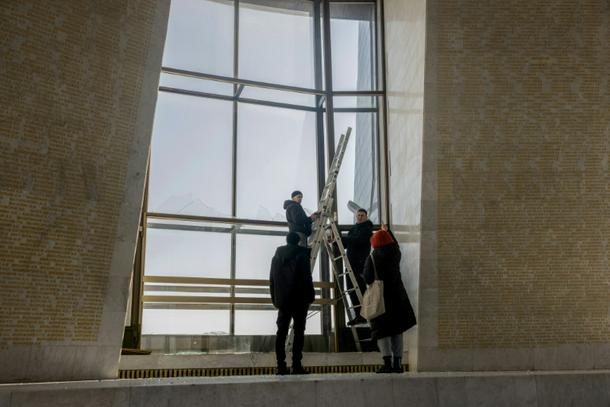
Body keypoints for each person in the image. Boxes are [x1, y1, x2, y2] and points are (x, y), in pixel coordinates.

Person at [363, 225, 416, 373]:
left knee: (382, 331)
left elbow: (367, 278)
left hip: (381, 300)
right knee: (397, 330)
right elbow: (395, 244)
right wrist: (388, 232)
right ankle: (398, 364)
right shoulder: (395, 253)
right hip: (398, 297)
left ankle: (387, 363)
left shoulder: (372, 257)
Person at [269, 232, 315, 375]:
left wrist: (275, 299)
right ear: (298, 241)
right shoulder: (302, 255)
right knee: (299, 332)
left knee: (281, 333)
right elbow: (307, 278)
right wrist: (311, 296)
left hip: (283, 300)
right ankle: (296, 365)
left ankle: (281, 366)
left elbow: (272, 279)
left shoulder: (277, 257)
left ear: (287, 240)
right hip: (300, 300)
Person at [341, 208, 373, 326]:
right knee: (351, 289)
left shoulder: (367, 229)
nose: (359, 217)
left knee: (359, 288)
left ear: (366, 216)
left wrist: (342, 238)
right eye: (358, 215)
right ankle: (359, 315)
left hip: (360, 264)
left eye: (362, 215)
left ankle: (364, 314)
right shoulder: (353, 229)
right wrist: (335, 241)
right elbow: (347, 244)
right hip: (350, 263)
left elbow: (357, 241)